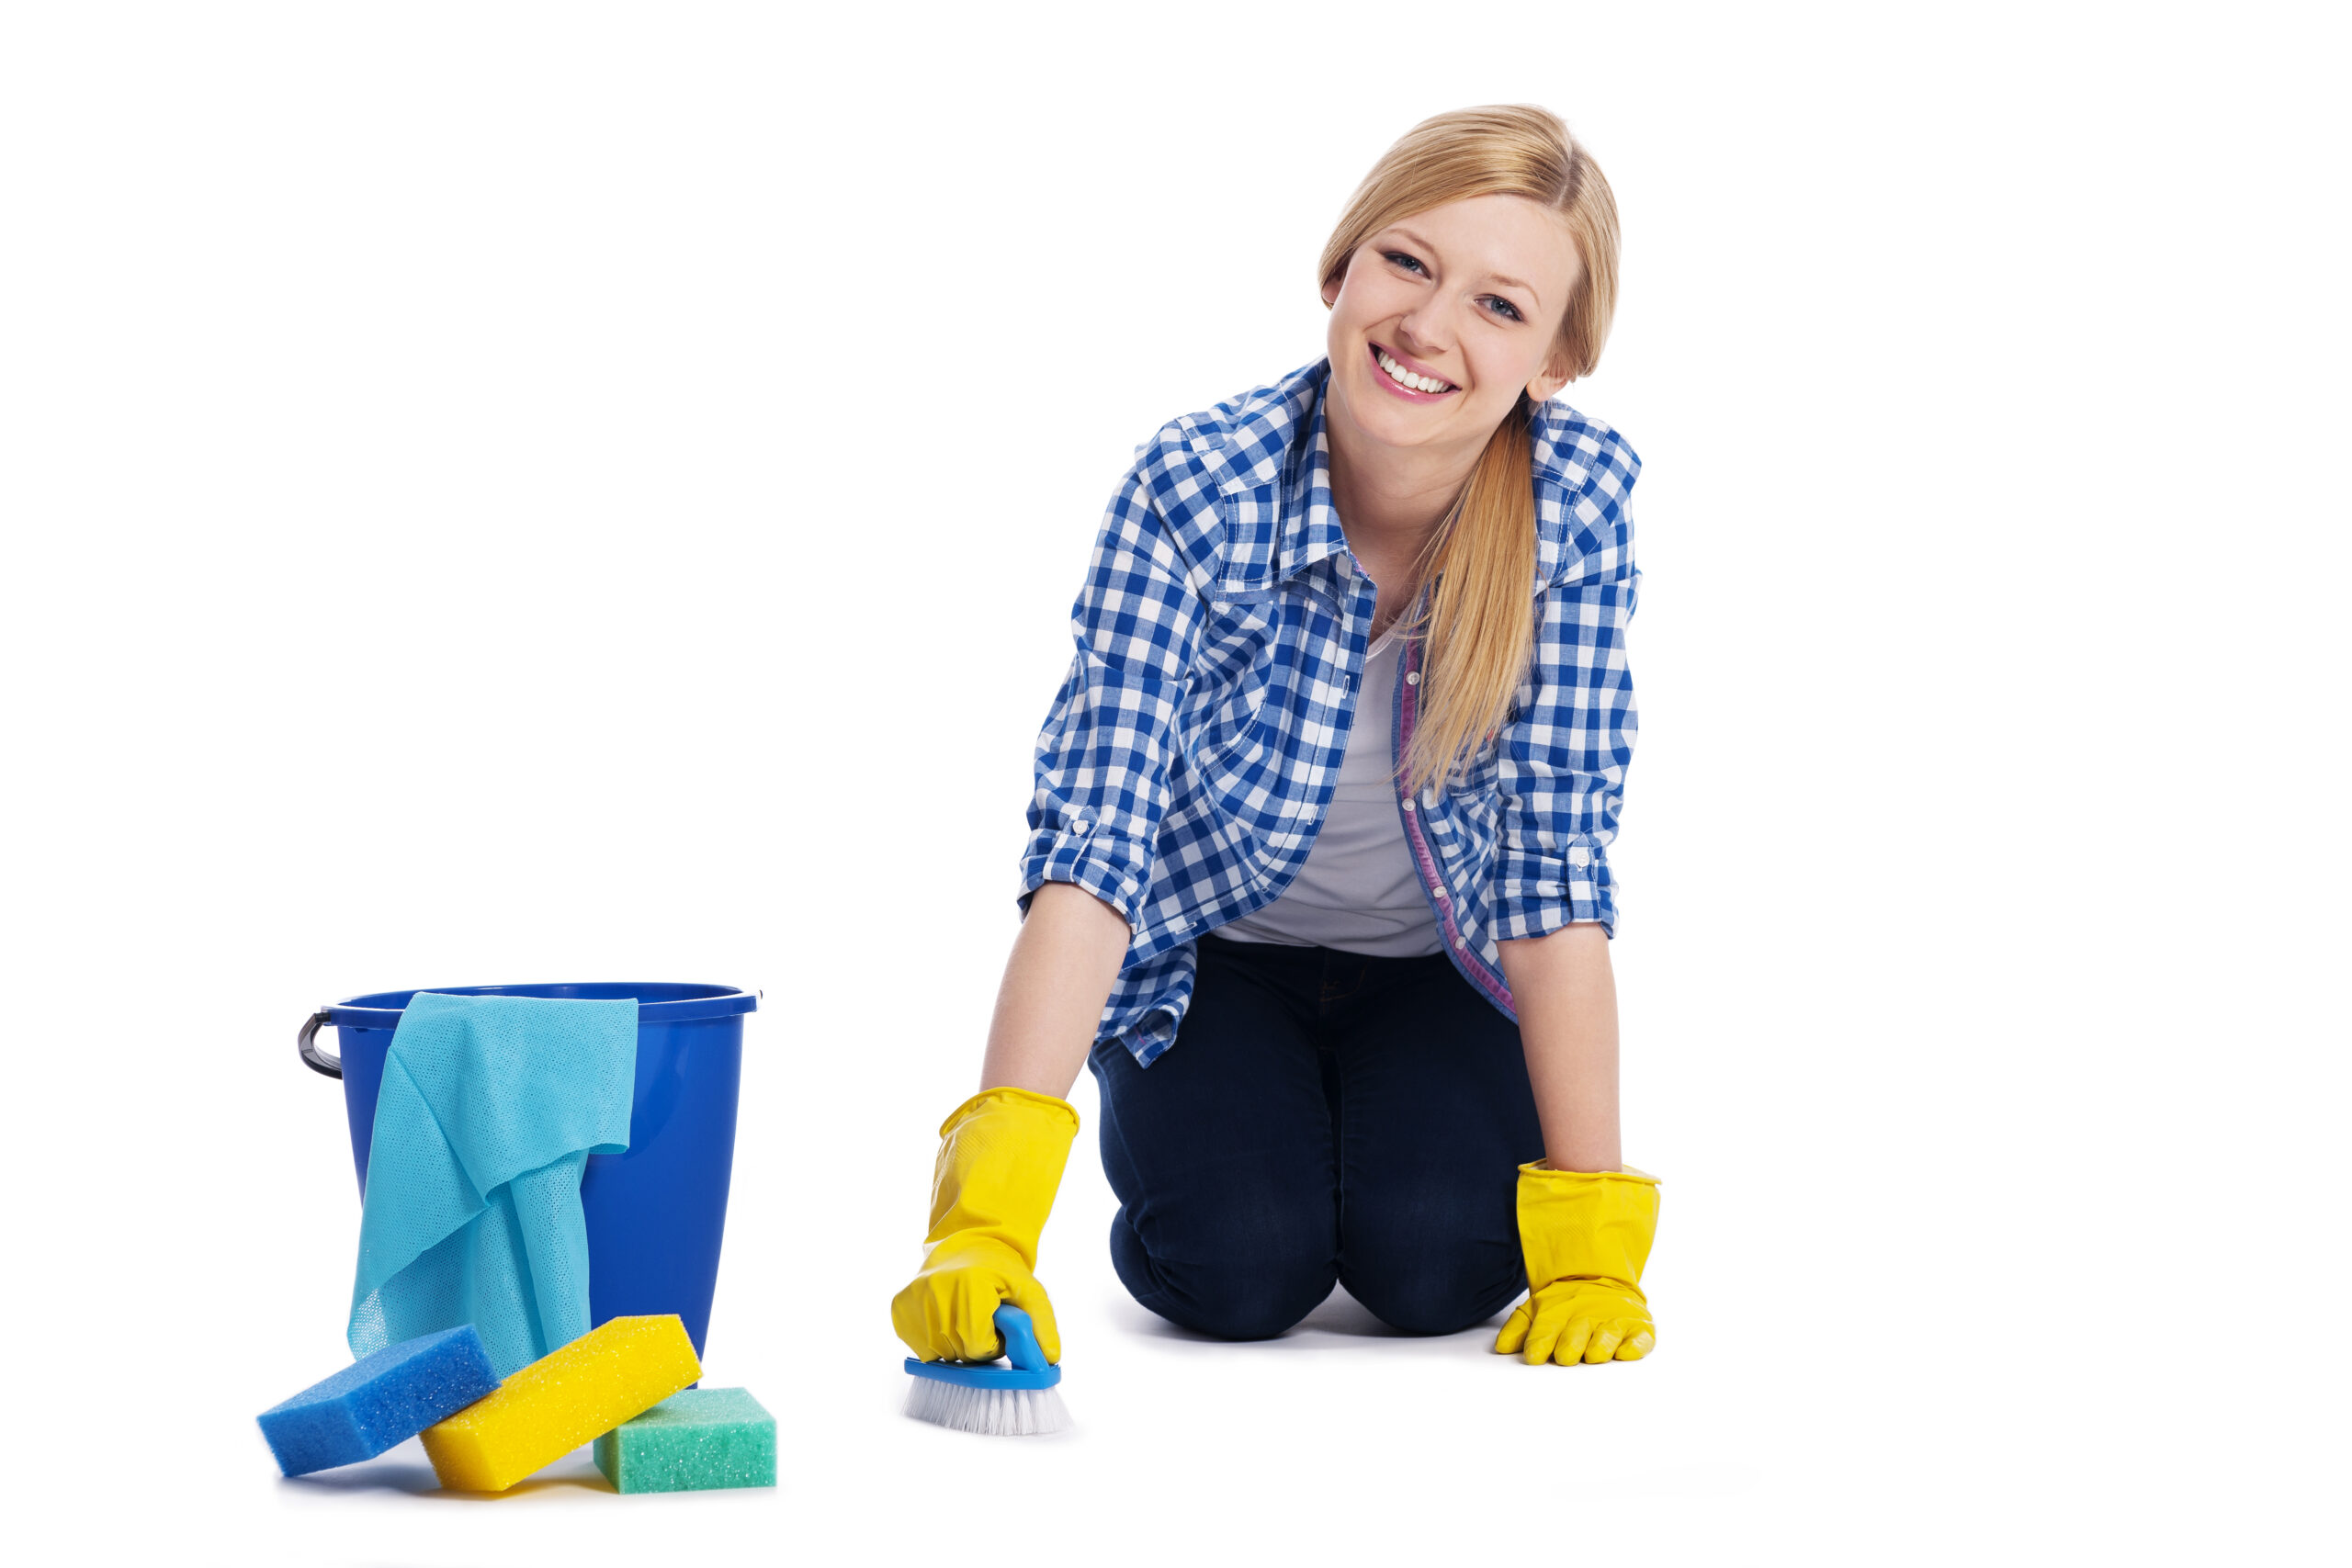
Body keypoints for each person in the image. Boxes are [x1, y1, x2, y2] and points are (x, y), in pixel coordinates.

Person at [891, 105, 1659, 1372]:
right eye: (1408, 263)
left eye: (1499, 306)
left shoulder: (1577, 509)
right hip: (1219, 964)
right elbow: (1098, 848)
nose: (1428, 326)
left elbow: (1553, 872)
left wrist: (1591, 1244)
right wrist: (983, 1223)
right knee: (1237, 1265)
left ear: (1557, 363)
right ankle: (1244, 1159)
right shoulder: (1196, 485)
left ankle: (1408, 1165)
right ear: (1339, 269)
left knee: (1440, 1266)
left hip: (1441, 966)